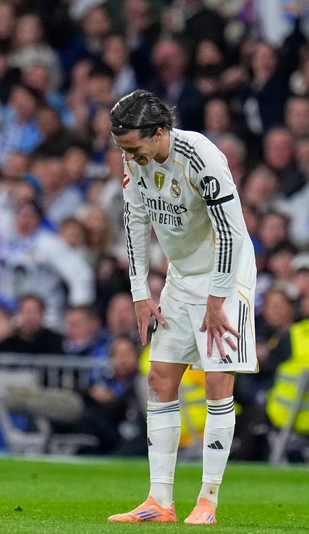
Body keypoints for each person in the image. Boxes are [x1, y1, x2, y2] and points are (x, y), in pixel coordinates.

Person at [108, 89, 257, 525]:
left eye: (133, 147)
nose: (128, 156)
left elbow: (230, 233)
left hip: (226, 275)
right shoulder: (134, 158)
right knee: (159, 376)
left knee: (217, 381)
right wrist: (140, 293)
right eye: (121, 148)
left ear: (159, 132)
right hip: (181, 274)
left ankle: (207, 501)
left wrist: (217, 299)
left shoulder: (202, 157)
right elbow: (135, 219)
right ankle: (159, 501)